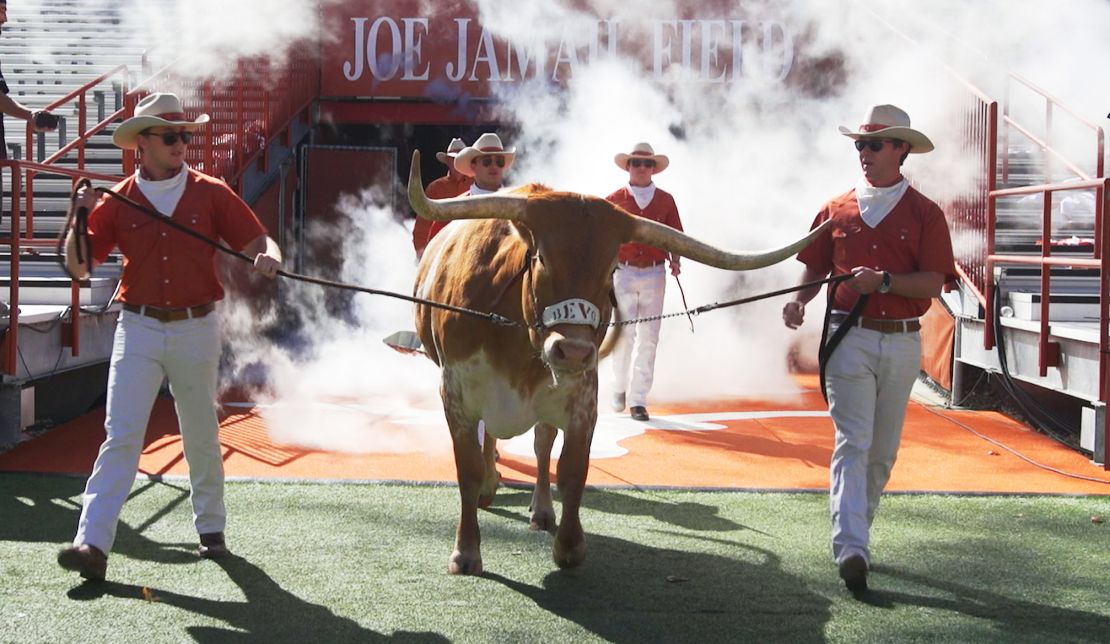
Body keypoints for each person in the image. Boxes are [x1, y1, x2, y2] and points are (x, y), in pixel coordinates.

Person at [56, 92, 282, 581]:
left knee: (199, 428)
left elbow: (259, 240)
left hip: (198, 325)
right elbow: (77, 265)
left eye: (185, 135)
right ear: (143, 143)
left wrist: (271, 257)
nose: (182, 143)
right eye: (171, 135)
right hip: (135, 325)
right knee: (121, 435)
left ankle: (211, 529)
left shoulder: (212, 191)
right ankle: (91, 542)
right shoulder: (117, 199)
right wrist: (78, 213)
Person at [781, 104, 955, 593]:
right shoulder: (834, 208)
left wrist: (883, 283)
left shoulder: (926, 212)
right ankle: (852, 545)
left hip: (902, 341)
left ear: (901, 149)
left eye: (874, 144)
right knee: (853, 441)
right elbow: (815, 266)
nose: (865, 153)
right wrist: (798, 302)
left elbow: (931, 283)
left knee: (882, 453)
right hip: (848, 337)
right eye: (860, 144)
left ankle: (858, 526)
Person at [606, 142, 683, 422]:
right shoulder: (614, 199)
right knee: (624, 334)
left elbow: (676, 236)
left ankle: (638, 399)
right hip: (623, 271)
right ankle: (618, 387)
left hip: (654, 272)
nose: (641, 168)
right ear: (628, 166)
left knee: (649, 337)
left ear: (654, 168)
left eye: (646, 163)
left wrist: (676, 259)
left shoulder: (666, 200)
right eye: (636, 163)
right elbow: (605, 237)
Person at [412, 137, 471, 258]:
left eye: (460, 159)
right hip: (441, 252)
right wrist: (421, 253)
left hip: (471, 249)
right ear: (448, 162)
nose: (456, 163)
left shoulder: (478, 184)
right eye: (453, 159)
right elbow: (422, 224)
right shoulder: (435, 188)